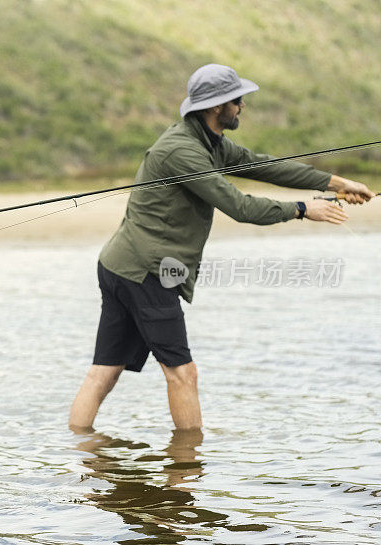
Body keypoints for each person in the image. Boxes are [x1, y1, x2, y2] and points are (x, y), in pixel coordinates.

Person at [68, 64, 375, 432]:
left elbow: (264, 166)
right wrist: (303, 209)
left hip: (122, 265)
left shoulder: (207, 141)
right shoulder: (183, 150)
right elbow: (239, 206)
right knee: (183, 373)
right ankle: (188, 471)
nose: (243, 105)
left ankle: (80, 457)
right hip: (145, 272)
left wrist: (340, 181)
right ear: (217, 107)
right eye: (237, 99)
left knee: (105, 370)